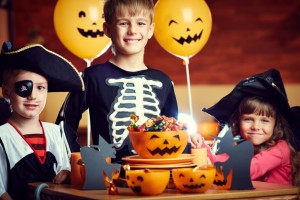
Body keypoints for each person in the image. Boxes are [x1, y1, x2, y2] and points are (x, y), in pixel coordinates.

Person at [56, 0, 178, 162]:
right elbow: (64, 124)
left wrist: (193, 141)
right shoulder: (92, 77)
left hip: (154, 174)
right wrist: (76, 161)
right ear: (107, 29)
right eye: (123, 23)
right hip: (104, 178)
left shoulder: (163, 81)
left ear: (150, 30)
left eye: (140, 23)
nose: (132, 30)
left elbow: (175, 132)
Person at [0, 42, 84, 200]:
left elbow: (64, 174)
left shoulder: (55, 133)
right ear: (6, 91)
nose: (33, 96)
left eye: (40, 88)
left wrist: (68, 174)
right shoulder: (3, 137)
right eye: (24, 88)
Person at [191, 68, 300, 186]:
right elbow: (221, 161)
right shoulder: (240, 145)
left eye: (264, 121)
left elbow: (249, 170)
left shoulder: (281, 149)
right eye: (248, 119)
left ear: (276, 124)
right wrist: (201, 145)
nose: (255, 126)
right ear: (238, 121)